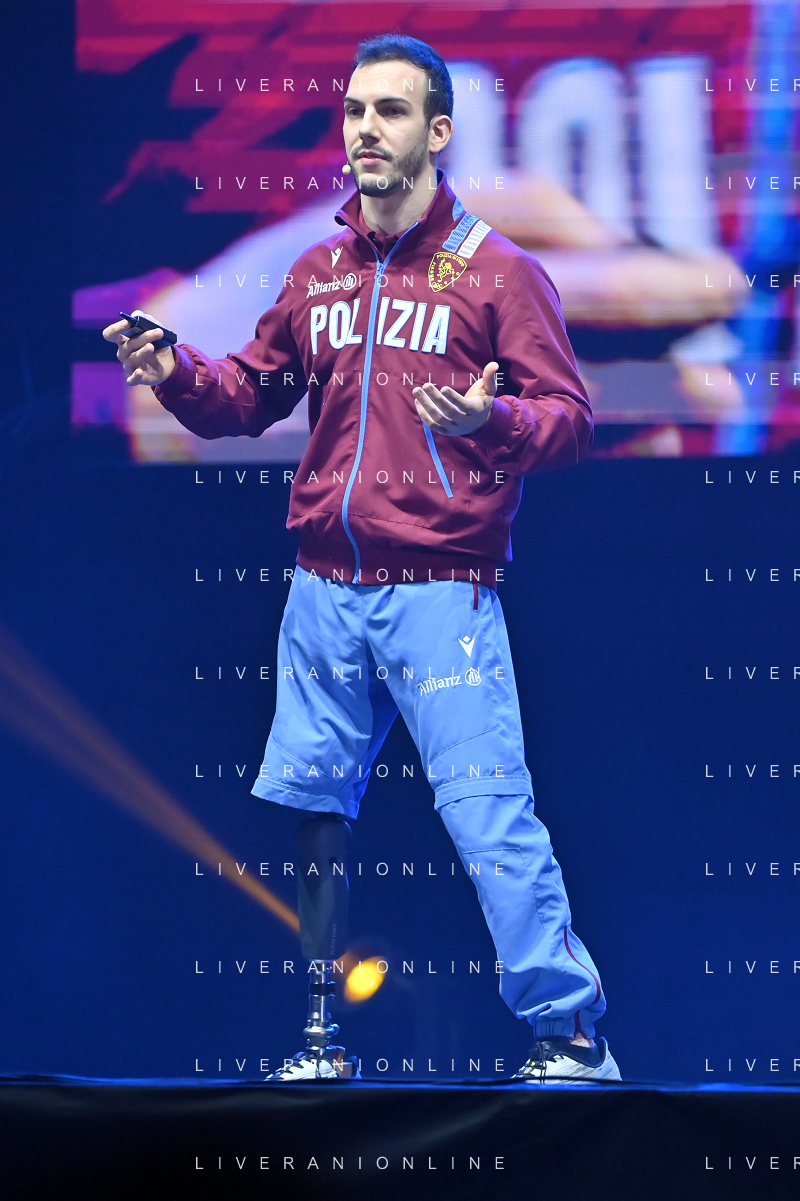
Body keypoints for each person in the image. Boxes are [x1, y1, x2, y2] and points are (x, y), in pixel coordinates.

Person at [103, 33, 620, 1084]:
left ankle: (570, 1034)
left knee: (488, 813)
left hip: (439, 589)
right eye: (352, 111)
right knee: (314, 818)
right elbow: (251, 394)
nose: (365, 130)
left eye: (389, 111)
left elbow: (571, 421)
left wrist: (491, 420)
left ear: (438, 131)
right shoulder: (316, 269)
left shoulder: (498, 270)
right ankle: (318, 1041)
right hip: (321, 592)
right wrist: (174, 370)